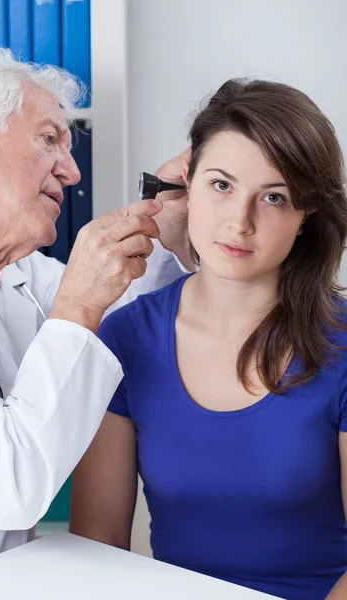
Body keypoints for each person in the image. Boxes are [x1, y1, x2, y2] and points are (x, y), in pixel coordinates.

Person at [70, 79, 347, 600]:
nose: (239, 223)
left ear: (305, 216)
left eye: (274, 197)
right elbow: (97, 544)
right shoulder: (124, 338)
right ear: (186, 182)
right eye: (221, 185)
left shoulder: (343, 343)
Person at [0, 48, 189, 573]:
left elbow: (135, 309)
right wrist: (78, 302)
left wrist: (167, 223)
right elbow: (7, 484)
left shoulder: (18, 275)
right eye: (50, 139)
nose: (73, 171)